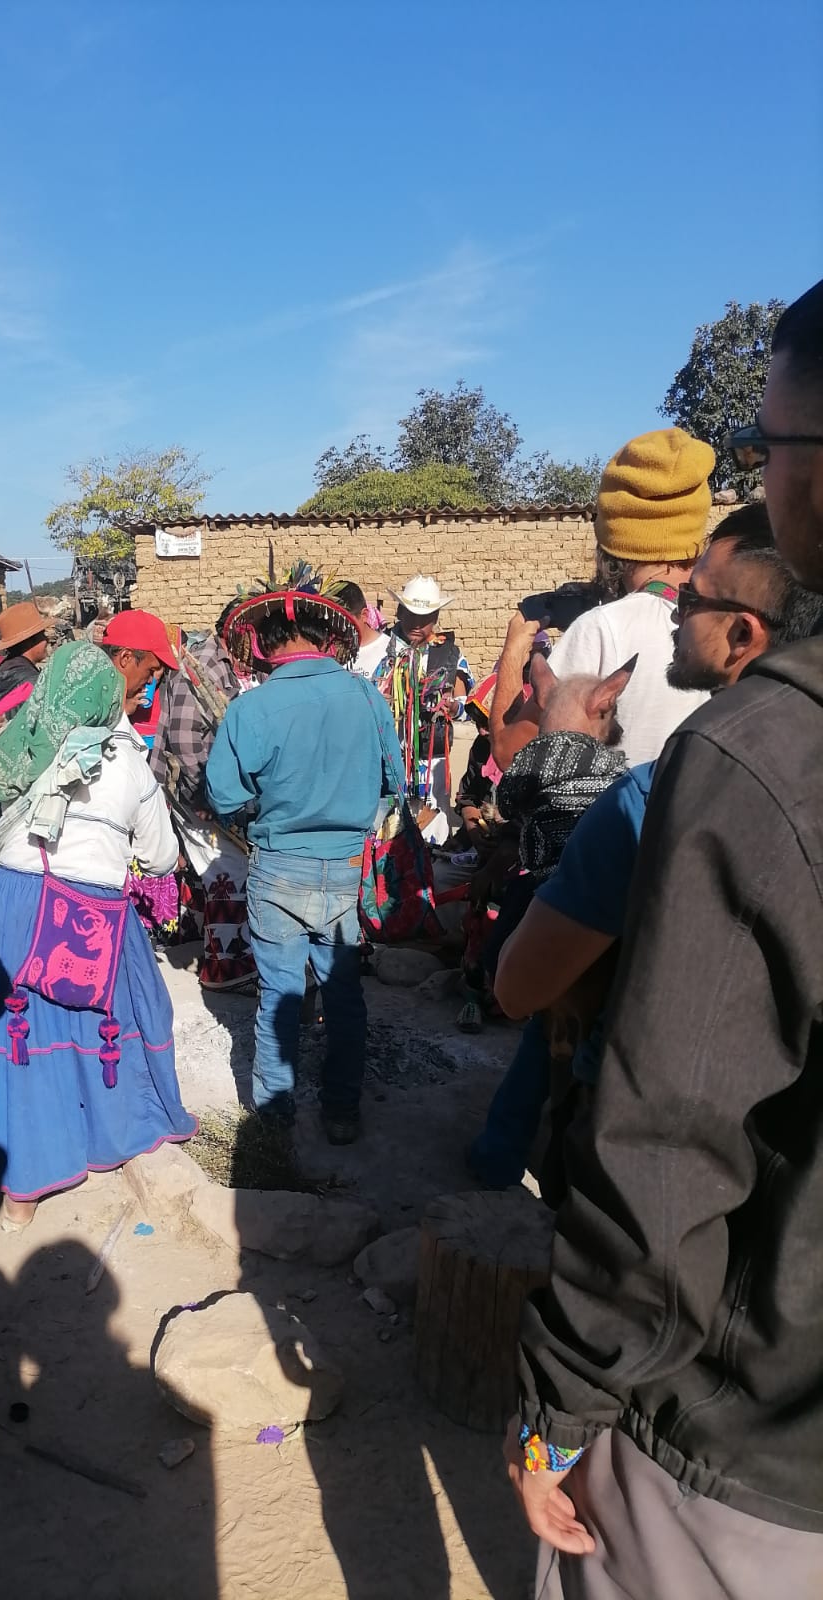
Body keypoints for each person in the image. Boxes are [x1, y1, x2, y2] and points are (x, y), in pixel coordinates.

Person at [507, 279, 823, 1600]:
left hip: (745, 1426)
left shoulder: (742, 759)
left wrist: (561, 1403)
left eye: (776, 448)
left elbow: (669, 1137)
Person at [494, 503, 823, 1198]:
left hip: (651, 1135)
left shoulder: (652, 796)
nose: (674, 613)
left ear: (741, 633)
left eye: (692, 600)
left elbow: (518, 986)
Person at [0, 639, 196, 1229]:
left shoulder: (23, 742)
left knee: (20, 1037)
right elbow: (162, 854)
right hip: (86, 912)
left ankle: (19, 1193)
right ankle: (108, 1132)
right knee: (112, 1016)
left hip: (10, 903)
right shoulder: (127, 761)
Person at [205, 571, 405, 1145]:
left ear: (266, 644)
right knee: (344, 993)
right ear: (327, 640)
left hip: (277, 868)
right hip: (346, 869)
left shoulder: (252, 708)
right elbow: (394, 783)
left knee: (279, 994)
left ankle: (274, 1114)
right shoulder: (367, 696)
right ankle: (341, 1111)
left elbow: (223, 796)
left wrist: (264, 809)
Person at [496, 428, 716, 774]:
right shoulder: (729, 622)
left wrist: (514, 647)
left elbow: (511, 755)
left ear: (615, 535)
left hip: (618, 827)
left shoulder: (603, 628)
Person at [150, 600, 260, 990]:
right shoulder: (202, 666)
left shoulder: (223, 665)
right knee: (227, 869)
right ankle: (225, 970)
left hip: (211, 791)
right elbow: (183, 741)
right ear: (237, 631)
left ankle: (225, 957)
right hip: (196, 792)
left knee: (223, 870)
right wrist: (207, 796)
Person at [375, 574, 471, 842]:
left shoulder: (449, 654)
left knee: (429, 823)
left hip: (431, 757)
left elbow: (464, 705)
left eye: (425, 617)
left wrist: (452, 708)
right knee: (388, 824)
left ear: (436, 616)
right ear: (399, 611)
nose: (417, 623)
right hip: (390, 752)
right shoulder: (383, 649)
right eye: (411, 614)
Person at [0, 600, 51, 719]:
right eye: (42, 635)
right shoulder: (31, 681)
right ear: (29, 642)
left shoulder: (5, 669)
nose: (47, 640)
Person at [334, 579, 390, 678]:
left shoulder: (392, 652)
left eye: (344, 622)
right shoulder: (327, 651)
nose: (339, 628)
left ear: (364, 615)